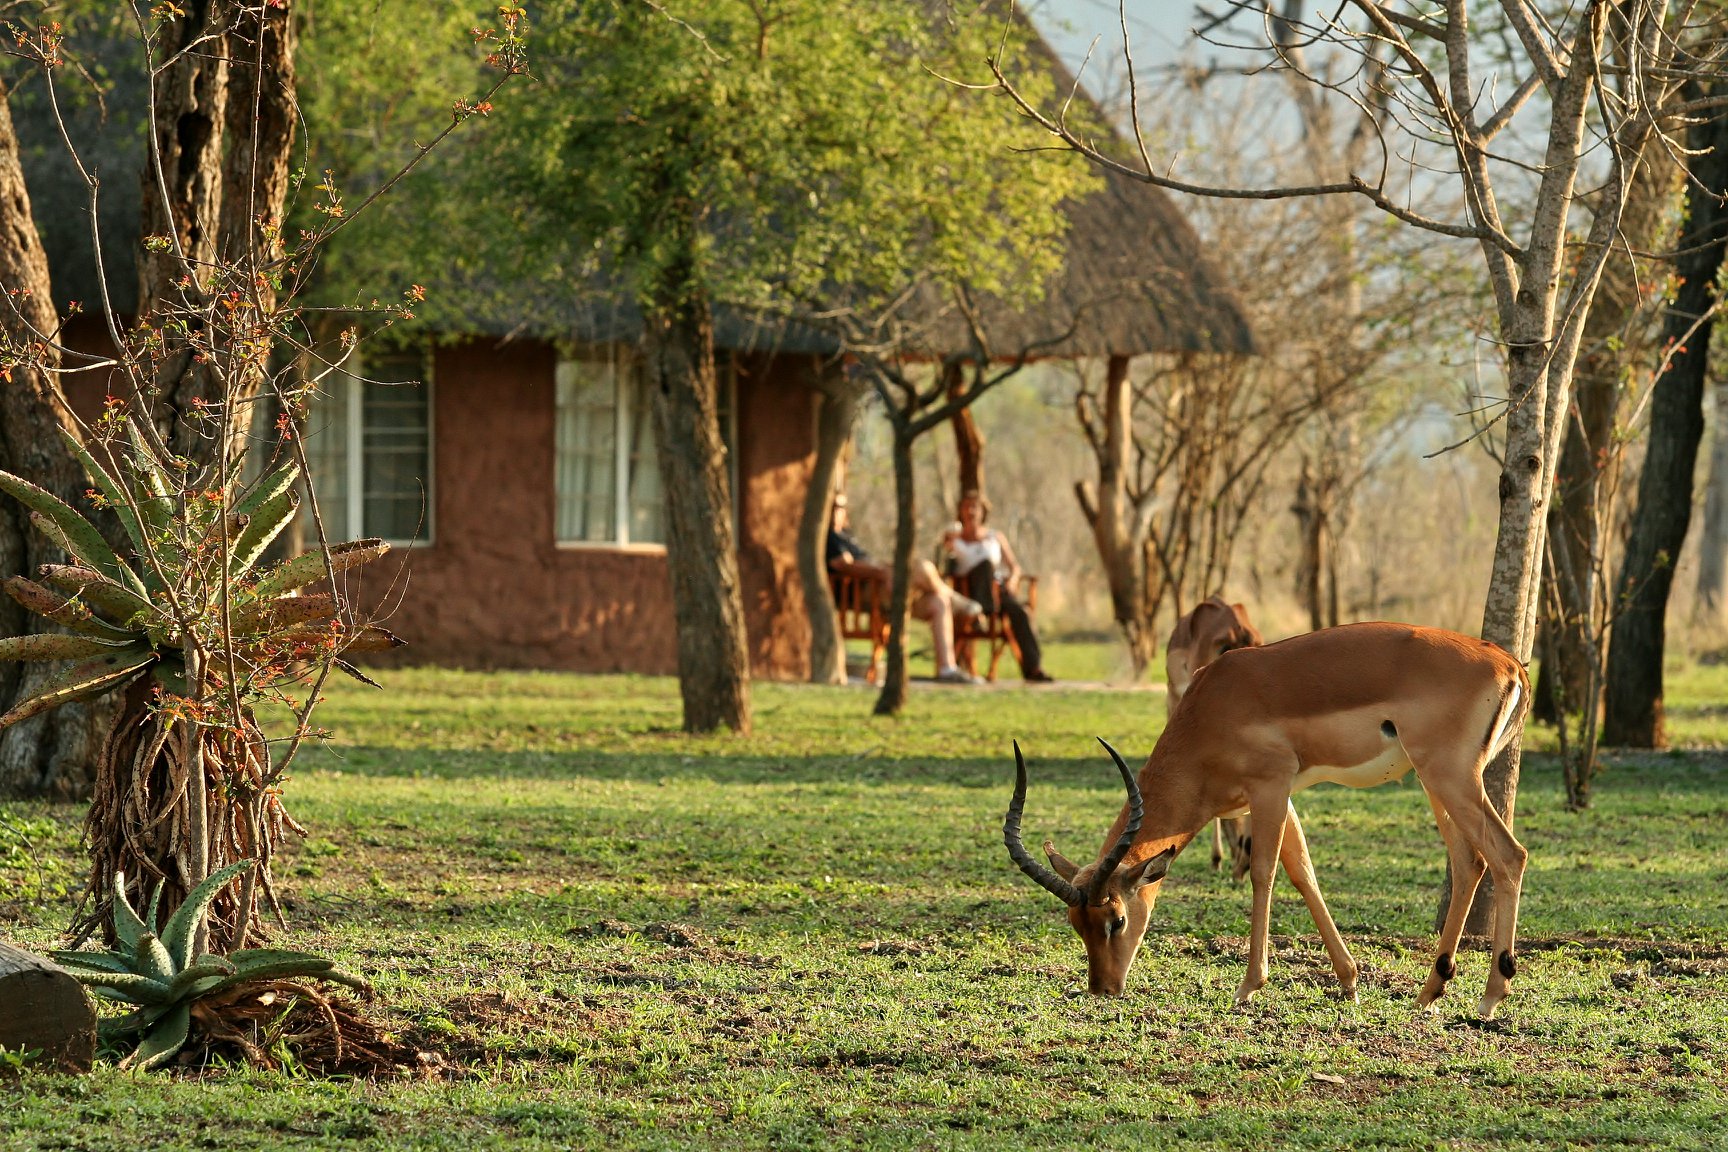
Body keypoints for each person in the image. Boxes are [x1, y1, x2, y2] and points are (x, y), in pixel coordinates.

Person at [826, 494, 984, 685]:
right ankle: (957, 601)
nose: (837, 512)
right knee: (922, 568)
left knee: (937, 602)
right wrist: (883, 572)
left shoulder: (848, 536)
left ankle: (947, 669)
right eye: (833, 507)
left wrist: (887, 567)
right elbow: (844, 566)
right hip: (867, 591)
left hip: (886, 587)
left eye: (841, 508)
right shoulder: (829, 537)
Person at [940, 489, 1052, 682]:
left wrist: (1013, 580)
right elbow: (946, 566)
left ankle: (1033, 668)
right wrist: (948, 542)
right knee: (984, 565)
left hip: (999, 590)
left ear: (983, 511)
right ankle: (981, 611)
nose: (971, 512)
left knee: (1021, 613)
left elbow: (1014, 567)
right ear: (961, 511)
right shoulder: (955, 540)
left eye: (975, 507)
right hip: (969, 595)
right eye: (967, 507)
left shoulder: (995, 536)